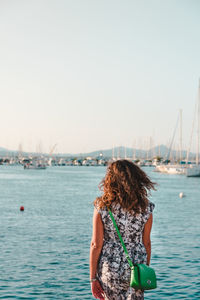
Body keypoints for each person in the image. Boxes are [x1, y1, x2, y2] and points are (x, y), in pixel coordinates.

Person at [90, 159, 156, 300]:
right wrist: (145, 268)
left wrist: (92, 278)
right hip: (136, 265)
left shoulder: (102, 206)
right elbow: (147, 243)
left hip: (110, 266)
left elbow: (96, 244)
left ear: (110, 180)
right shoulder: (146, 208)